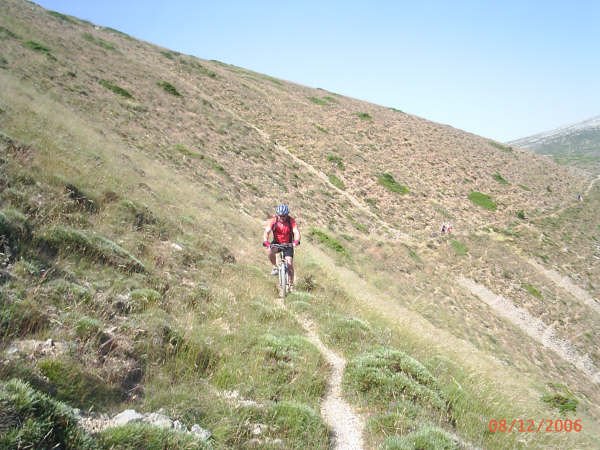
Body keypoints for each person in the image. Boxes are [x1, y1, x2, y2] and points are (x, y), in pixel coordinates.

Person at [263, 204, 300, 288]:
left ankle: (291, 284)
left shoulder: (291, 221)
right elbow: (267, 231)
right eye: (280, 216)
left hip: (288, 244)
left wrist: (296, 241)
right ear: (277, 215)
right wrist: (265, 241)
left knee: (289, 263)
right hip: (277, 242)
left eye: (284, 216)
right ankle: (275, 267)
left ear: (287, 215)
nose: (282, 218)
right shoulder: (274, 220)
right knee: (270, 250)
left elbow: (296, 231)